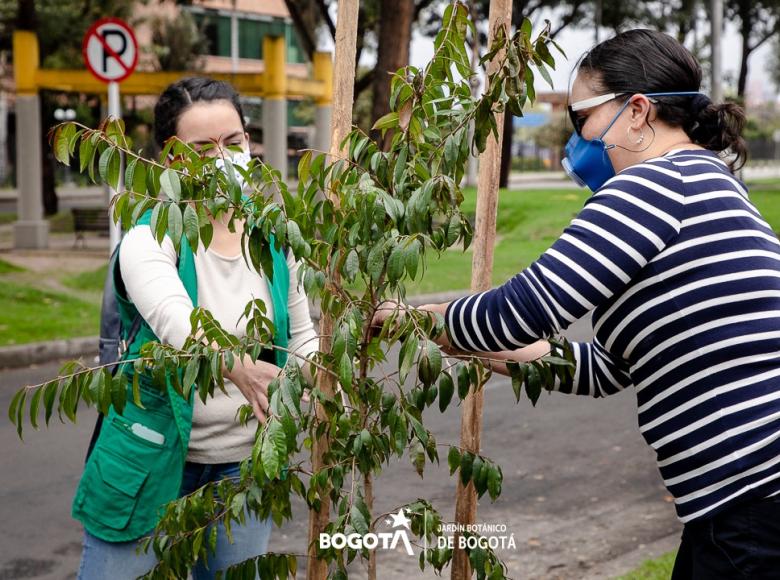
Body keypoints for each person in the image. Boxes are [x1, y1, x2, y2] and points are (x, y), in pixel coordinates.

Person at [377, 29, 780, 578]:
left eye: (580, 118)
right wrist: (465, 346)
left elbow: (519, 310)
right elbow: (609, 369)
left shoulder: (652, 187)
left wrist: (420, 319)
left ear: (637, 111)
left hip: (749, 495)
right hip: (741, 499)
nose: (578, 139)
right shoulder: (710, 180)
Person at [74, 77, 318, 580]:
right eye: (203, 149)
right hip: (149, 459)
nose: (223, 158)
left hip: (242, 471)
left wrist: (319, 381)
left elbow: (301, 334)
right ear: (171, 158)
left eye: (233, 143)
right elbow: (173, 317)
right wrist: (235, 365)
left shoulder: (274, 238)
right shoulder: (149, 236)